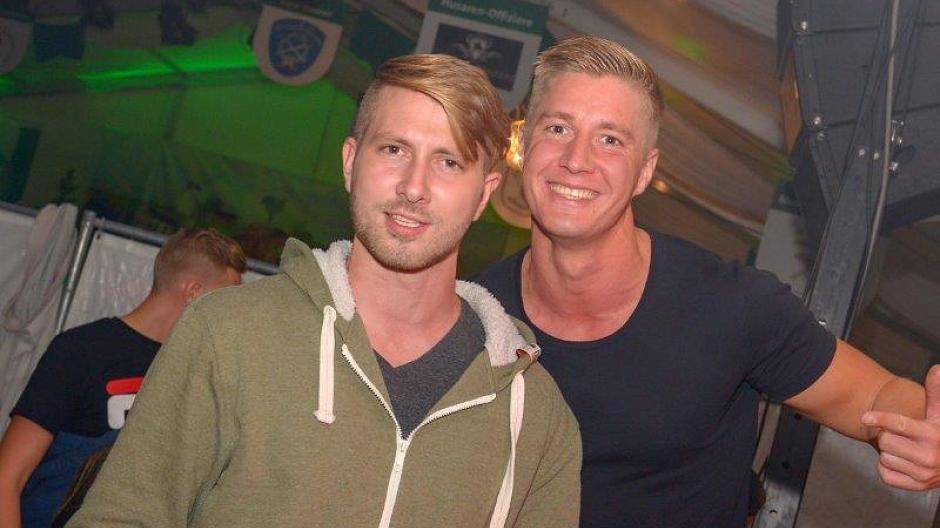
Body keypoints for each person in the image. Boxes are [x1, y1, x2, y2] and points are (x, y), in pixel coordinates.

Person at [65, 54, 581, 528]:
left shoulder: (535, 414)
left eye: (449, 162)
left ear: (484, 194)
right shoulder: (228, 333)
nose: (414, 187)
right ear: (351, 162)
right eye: (394, 149)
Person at [473, 35, 940, 528]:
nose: (576, 159)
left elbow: (876, 397)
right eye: (558, 128)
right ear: (522, 144)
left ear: (644, 172)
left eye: (610, 139)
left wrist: (927, 432)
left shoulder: (732, 305)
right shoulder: (471, 319)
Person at [0, 228, 246, 528]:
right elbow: (8, 478)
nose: (232, 316)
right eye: (226, 300)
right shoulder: (81, 350)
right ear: (193, 291)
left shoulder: (197, 374)